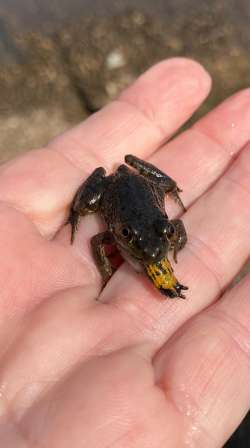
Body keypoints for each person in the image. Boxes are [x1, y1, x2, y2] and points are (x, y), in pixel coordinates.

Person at [0, 58, 249, 447]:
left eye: (167, 237)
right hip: (114, 192)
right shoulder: (116, 235)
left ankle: (156, 190)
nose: (156, 253)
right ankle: (77, 211)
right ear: (124, 237)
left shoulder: (164, 232)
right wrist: (99, 262)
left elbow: (176, 229)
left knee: (154, 190)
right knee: (84, 206)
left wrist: (172, 239)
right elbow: (99, 243)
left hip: (142, 192)